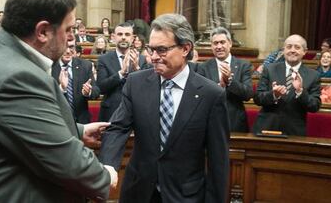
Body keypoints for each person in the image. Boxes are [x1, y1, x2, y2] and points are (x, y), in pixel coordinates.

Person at [0, 0, 116, 202]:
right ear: (43, 31)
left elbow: (18, 124)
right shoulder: (17, 76)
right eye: (69, 28)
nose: (72, 37)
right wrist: (106, 176)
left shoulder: (1, 50)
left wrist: (79, 131)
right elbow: (71, 165)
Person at [99, 13, 230, 203]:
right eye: (151, 49)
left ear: (185, 48)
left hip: (185, 196)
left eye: (161, 50)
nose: (153, 57)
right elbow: (118, 128)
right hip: (139, 192)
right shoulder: (135, 83)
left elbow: (219, 161)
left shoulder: (211, 95)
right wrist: (108, 166)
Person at [253, 34, 321, 136]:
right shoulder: (269, 69)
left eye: (297, 47)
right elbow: (257, 98)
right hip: (267, 128)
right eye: (289, 47)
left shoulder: (313, 75)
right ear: (284, 50)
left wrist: (300, 91)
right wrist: (274, 94)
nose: (292, 50)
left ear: (304, 51)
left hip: (294, 132)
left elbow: (315, 106)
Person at [198, 27, 253, 132]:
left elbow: (248, 94)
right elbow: (200, 95)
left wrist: (230, 81)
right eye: (215, 43)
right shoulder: (203, 67)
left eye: (222, 42)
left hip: (235, 121)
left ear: (230, 43)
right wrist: (217, 88)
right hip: (210, 121)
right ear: (211, 46)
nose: (219, 46)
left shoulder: (243, 65)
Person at [96, 21, 148, 121]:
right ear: (113, 37)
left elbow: (147, 88)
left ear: (132, 38)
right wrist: (121, 73)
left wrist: (137, 69)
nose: (123, 37)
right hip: (111, 112)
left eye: (127, 34)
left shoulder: (142, 60)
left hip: (136, 112)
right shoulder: (104, 59)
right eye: (120, 34)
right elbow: (101, 87)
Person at [52, 38, 100, 124]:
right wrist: (61, 88)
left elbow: (96, 91)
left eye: (71, 47)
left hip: (81, 121)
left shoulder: (85, 65)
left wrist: (88, 92)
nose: (68, 51)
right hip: (58, 121)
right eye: (64, 47)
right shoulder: (50, 67)